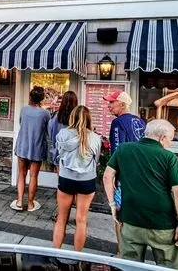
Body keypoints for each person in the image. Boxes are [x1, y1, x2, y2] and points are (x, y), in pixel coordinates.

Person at [103, 119, 178, 270]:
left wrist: (113, 205)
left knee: (129, 266)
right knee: (168, 266)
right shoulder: (169, 158)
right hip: (162, 224)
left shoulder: (123, 149)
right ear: (162, 137)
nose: (171, 143)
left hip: (130, 220)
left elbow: (107, 177)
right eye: (170, 139)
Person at [53, 105, 102, 251]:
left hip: (66, 178)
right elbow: (96, 159)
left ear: (72, 117)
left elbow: (59, 154)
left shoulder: (62, 134)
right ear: (89, 119)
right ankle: (78, 257)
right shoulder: (95, 138)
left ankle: (55, 253)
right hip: (86, 180)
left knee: (61, 218)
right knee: (81, 220)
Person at [103, 90, 146, 252]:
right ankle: (135, 253)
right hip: (141, 177)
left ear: (122, 104)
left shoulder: (118, 123)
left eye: (112, 102)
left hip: (125, 177)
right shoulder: (141, 122)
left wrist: (112, 177)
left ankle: (122, 252)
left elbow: (117, 151)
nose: (109, 106)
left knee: (119, 215)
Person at [10, 86, 50, 212]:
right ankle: (31, 204)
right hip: (37, 147)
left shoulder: (24, 110)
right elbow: (47, 131)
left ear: (30, 97)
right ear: (41, 99)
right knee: (33, 176)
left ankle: (20, 202)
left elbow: (21, 123)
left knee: (21, 174)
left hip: (23, 146)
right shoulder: (45, 114)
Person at [48, 91, 78, 170]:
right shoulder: (78, 117)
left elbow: (50, 132)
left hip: (59, 151)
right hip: (74, 153)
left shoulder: (56, 116)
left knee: (61, 179)